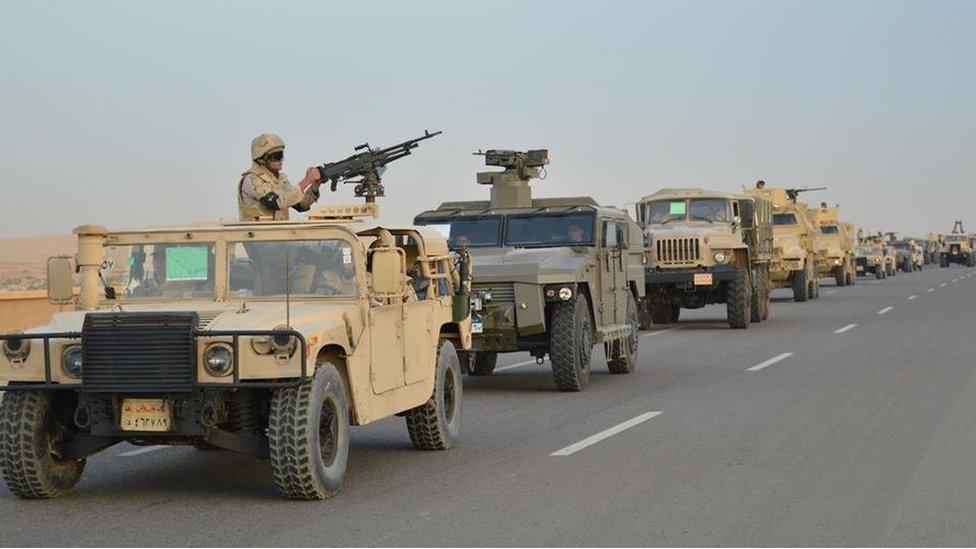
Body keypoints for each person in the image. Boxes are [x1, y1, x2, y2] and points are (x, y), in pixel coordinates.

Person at [238, 133, 324, 221]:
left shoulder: (281, 179)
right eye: (276, 156)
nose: (281, 160)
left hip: (279, 233)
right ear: (261, 159)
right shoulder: (252, 179)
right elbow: (275, 202)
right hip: (258, 233)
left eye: (281, 155)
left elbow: (301, 205)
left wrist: (315, 186)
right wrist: (306, 180)